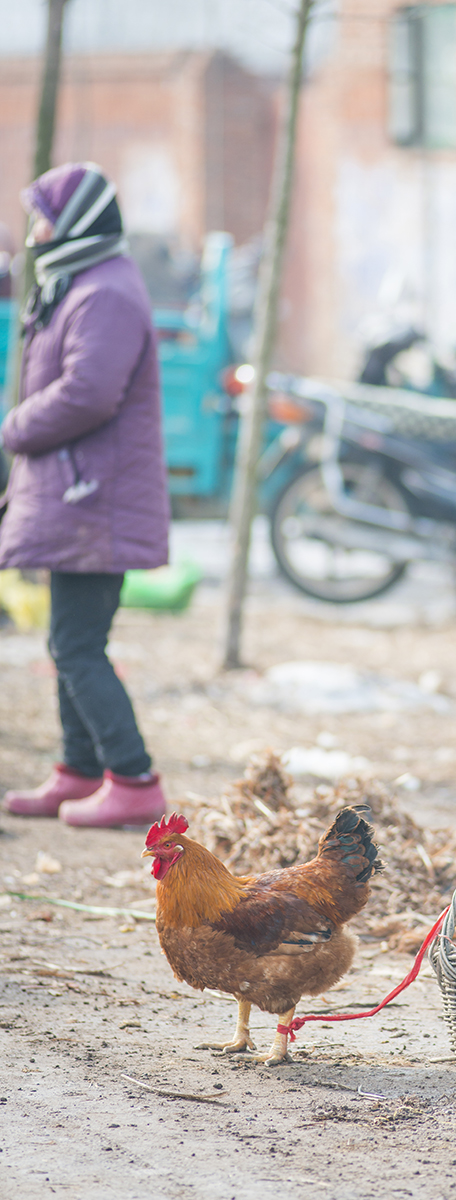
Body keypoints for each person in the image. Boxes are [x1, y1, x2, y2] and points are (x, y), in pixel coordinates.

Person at [1, 162, 170, 828]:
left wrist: (12, 427)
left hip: (94, 502)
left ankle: (133, 778)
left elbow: (88, 394)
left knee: (77, 644)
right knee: (67, 640)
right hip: (80, 498)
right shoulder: (83, 285)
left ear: (75, 223)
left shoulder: (105, 294)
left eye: (46, 216)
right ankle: (77, 771)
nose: (37, 231)